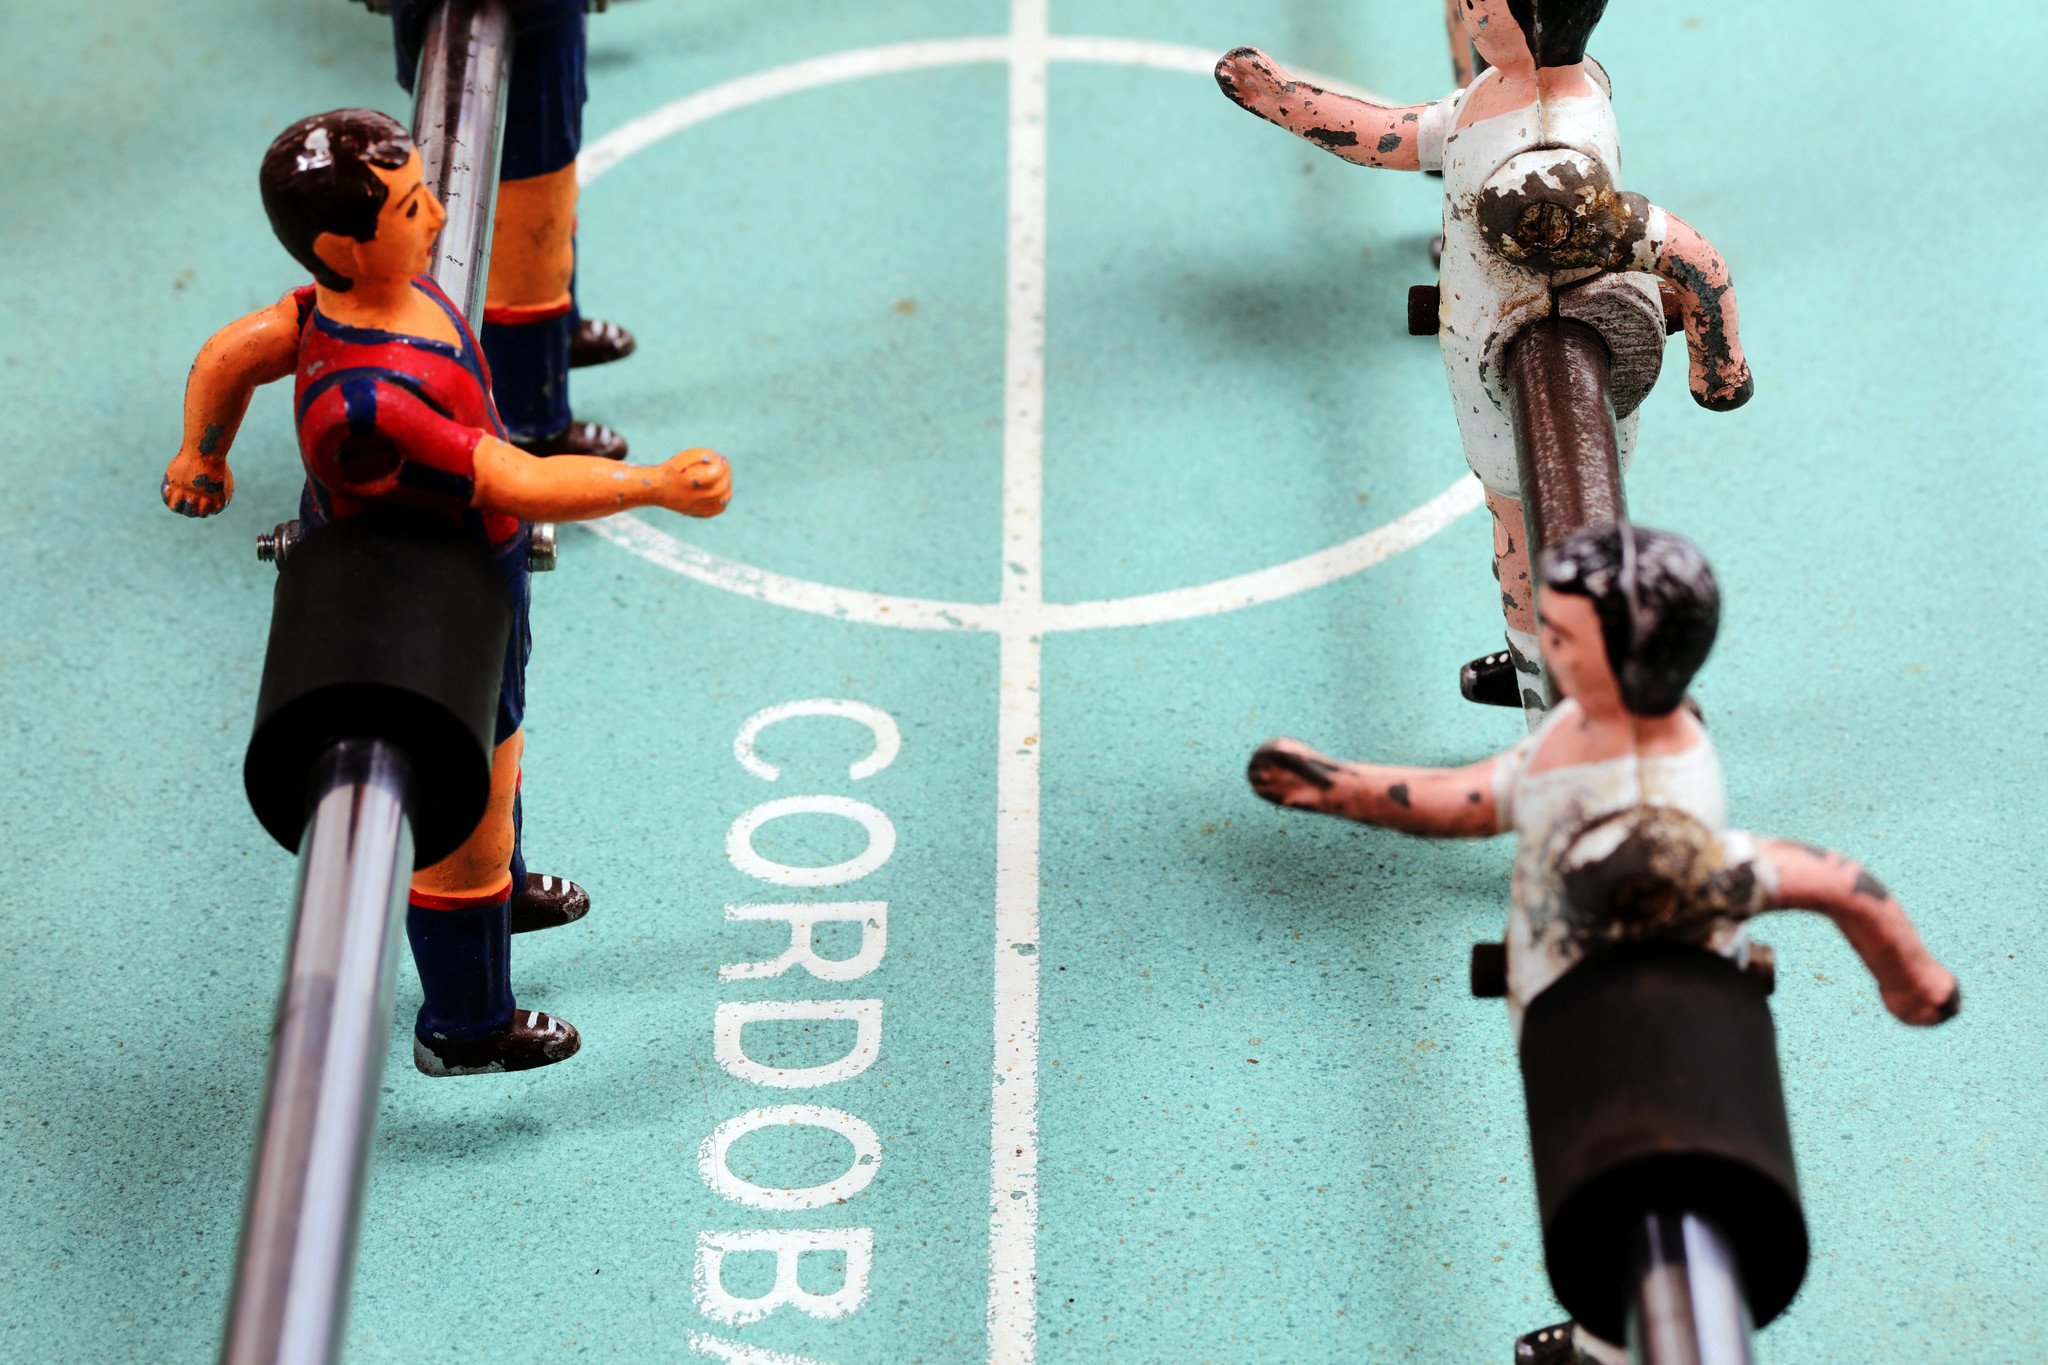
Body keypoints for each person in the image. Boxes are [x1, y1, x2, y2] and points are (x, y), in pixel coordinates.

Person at [1248, 522, 1959, 1363]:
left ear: (1635, 662)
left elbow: (1831, 879)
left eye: (1558, 636)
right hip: (1572, 999)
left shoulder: (1646, 826)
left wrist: (1911, 978)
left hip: (1622, 1033)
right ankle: (1597, 1338)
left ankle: (1606, 1352)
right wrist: (1347, 788)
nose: (1541, 646)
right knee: (1594, 1205)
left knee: (1624, 1204)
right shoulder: (1589, 728)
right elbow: (1487, 794)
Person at [160, 109, 733, 1076]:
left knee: (499, 753)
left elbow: (225, 355)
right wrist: (657, 485)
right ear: (345, 248)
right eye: (414, 205)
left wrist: (199, 454)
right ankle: (465, 1026)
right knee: (462, 803)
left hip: (470, 573)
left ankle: (500, 890)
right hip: (432, 586)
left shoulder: (341, 308)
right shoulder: (371, 397)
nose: (435, 215)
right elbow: (514, 478)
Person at [1216, 2, 1752, 712]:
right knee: (1525, 524)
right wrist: (1286, 101)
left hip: (1517, 342)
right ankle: (1537, 652)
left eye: (1479, 2)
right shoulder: (1544, 90)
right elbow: (1400, 135)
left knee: (1520, 522)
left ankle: (1558, 673)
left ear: (1533, 17)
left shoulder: (1545, 168)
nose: (1464, 10)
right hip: (1484, 332)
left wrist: (1718, 367)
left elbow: (1685, 254)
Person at [388, 0, 636, 459]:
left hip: (543, 29)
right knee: (521, 245)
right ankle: (531, 423)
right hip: (505, 28)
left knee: (550, 204)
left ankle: (560, 333)